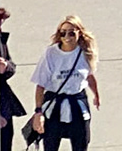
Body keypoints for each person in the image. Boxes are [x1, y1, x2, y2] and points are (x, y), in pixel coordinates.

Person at [31, 17, 99, 151]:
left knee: (81, 144)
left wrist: (96, 95)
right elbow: (40, 85)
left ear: (79, 33)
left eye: (71, 33)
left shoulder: (84, 52)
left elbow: (90, 75)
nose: (67, 37)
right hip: (54, 107)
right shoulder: (51, 53)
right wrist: (38, 113)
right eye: (63, 33)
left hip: (77, 106)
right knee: (50, 145)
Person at [0, 8, 27, 151]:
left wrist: (5, 67)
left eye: (2, 20)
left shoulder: (0, 39)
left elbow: (11, 66)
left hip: (4, 103)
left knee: (6, 141)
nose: (0, 24)